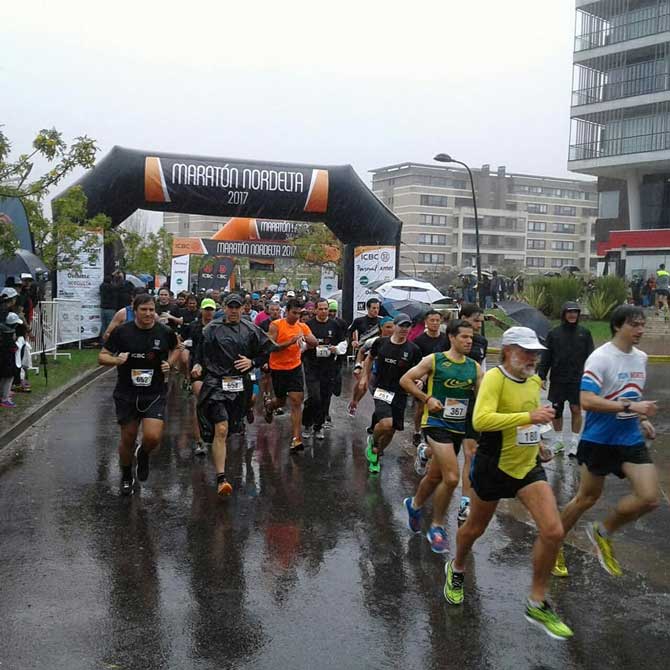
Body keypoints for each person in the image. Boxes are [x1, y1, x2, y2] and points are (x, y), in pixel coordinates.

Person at [443, 326, 573, 641]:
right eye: (525, 351)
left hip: (527, 468)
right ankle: (457, 569)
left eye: (535, 353)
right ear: (507, 351)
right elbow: (481, 420)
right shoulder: (494, 379)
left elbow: (531, 420)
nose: (532, 358)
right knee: (474, 529)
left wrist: (538, 443)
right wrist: (529, 416)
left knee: (554, 531)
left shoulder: (533, 381)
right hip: (493, 467)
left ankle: (537, 601)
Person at [552, 305, 659, 580]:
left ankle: (603, 531)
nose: (641, 330)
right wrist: (631, 408)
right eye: (635, 325)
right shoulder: (600, 358)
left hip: (629, 438)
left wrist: (640, 417)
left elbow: (631, 395)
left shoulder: (641, 358)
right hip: (599, 439)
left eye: (642, 324)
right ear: (617, 326)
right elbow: (587, 400)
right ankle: (553, 545)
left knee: (649, 498)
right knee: (587, 497)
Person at [400, 319, 483, 553]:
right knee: (452, 477)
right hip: (435, 423)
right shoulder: (435, 360)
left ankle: (414, 505)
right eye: (464, 337)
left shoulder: (474, 367)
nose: (469, 341)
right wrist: (427, 398)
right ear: (452, 338)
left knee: (435, 477)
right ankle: (437, 527)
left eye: (471, 337)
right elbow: (405, 380)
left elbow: (484, 397)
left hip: (458, 427)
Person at [191, 293, 274, 495]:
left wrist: (252, 362)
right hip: (216, 383)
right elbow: (199, 353)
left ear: (243, 308)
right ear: (225, 307)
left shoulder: (250, 329)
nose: (234, 310)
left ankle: (243, 415)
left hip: (240, 385)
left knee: (231, 427)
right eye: (231, 307)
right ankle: (221, 479)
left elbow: (267, 349)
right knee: (221, 428)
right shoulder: (211, 329)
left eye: (238, 307)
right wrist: (197, 365)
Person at [99, 294, 179, 495]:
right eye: (144, 309)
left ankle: (143, 454)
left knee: (152, 437)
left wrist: (169, 363)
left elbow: (177, 347)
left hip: (154, 392)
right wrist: (117, 361)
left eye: (151, 310)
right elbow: (102, 356)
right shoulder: (122, 332)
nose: (148, 313)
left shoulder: (164, 331)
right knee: (128, 437)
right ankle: (126, 475)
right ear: (135, 311)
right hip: (127, 392)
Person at [361, 313, 421, 474]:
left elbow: (420, 370)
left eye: (407, 326)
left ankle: (377, 454)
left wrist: (420, 380)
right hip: (381, 388)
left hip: (401, 392)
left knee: (392, 429)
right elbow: (369, 358)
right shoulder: (381, 343)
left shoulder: (413, 349)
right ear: (394, 326)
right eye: (401, 325)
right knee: (386, 423)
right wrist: (364, 377)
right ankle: (373, 442)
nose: (404, 329)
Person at [538, 301, 594, 457]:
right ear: (564, 314)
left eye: (575, 312)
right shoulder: (554, 333)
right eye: (569, 312)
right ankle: (559, 440)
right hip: (558, 379)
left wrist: (592, 377)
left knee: (576, 409)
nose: (572, 315)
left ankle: (575, 442)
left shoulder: (585, 333)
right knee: (556, 411)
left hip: (577, 379)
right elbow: (546, 356)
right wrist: (542, 376)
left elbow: (592, 358)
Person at [264, 298, 318, 452]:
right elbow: (270, 347)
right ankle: (269, 406)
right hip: (278, 369)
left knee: (296, 401)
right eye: (293, 313)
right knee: (280, 402)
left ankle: (296, 439)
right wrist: (290, 342)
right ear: (286, 311)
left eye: (299, 313)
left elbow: (314, 342)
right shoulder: (276, 325)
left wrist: (306, 337)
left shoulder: (302, 326)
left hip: (294, 368)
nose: (296, 316)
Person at [301, 299, 347, 440]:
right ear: (315, 310)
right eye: (320, 309)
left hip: (328, 367)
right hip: (311, 365)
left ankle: (318, 426)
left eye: (325, 309)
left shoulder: (335, 325)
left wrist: (336, 349)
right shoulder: (307, 325)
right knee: (314, 396)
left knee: (325, 398)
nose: (323, 311)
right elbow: (300, 343)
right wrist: (307, 346)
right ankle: (307, 423)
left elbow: (343, 343)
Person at [411, 310, 448, 447]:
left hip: (441, 379)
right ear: (426, 322)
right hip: (424, 379)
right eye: (432, 320)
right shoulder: (419, 341)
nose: (435, 323)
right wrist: (420, 378)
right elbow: (415, 363)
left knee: (440, 406)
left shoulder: (446, 339)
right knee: (421, 408)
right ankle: (416, 431)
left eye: (437, 320)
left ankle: (437, 433)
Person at [185, 297, 217, 456]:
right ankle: (199, 441)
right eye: (207, 309)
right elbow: (188, 349)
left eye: (212, 309)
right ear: (202, 310)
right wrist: (188, 372)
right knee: (199, 402)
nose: (209, 312)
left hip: (216, 369)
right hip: (198, 368)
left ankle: (216, 434)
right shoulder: (194, 327)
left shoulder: (220, 327)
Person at [347, 298, 382, 415]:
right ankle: (354, 400)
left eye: (377, 308)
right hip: (362, 354)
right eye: (373, 308)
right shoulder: (359, 321)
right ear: (368, 308)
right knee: (362, 382)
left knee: (366, 384)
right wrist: (353, 341)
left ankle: (355, 402)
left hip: (375, 355)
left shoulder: (382, 322)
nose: (376, 310)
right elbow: (350, 331)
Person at [0, 312, 22, 408]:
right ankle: (5, 398)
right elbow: (13, 348)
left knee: (3, 377)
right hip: (8, 359)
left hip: (3, 358)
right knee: (8, 378)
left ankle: (3, 395)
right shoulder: (9, 335)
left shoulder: (3, 331)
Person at [100, 275, 117, 342]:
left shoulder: (101, 286)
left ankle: (103, 341)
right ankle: (109, 341)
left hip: (103, 308)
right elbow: (116, 287)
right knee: (110, 326)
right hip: (110, 308)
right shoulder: (111, 287)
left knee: (103, 326)